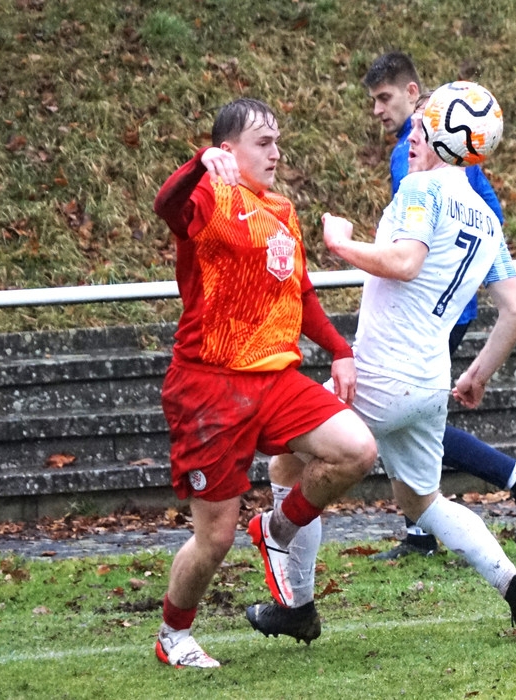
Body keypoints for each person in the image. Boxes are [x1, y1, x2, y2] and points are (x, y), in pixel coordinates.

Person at [247, 90, 516, 642]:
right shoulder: (487, 219)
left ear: (444, 137)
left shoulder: (421, 189)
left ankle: (296, 604)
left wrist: (341, 243)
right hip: (430, 382)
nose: (411, 136)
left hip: (382, 376)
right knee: (422, 502)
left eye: (421, 127)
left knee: (287, 464)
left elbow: (406, 263)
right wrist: (478, 374)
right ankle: (515, 588)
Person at [150, 97, 378, 668]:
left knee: (357, 450)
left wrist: (339, 349)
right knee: (214, 538)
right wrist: (198, 164)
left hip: (275, 378)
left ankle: (277, 528)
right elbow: (166, 206)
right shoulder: (208, 194)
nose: (276, 152)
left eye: (278, 141)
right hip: (209, 387)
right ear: (228, 151)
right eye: (263, 142)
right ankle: (173, 635)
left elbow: (299, 293)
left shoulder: (281, 209)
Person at [363, 51, 516, 557]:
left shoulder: (418, 161)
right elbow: (492, 225)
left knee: (406, 414)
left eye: (385, 98)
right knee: (417, 412)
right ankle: (432, 526)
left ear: (414, 94)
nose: (378, 110)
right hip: (456, 293)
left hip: (430, 305)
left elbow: (411, 250)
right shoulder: (457, 157)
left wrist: (343, 245)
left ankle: (512, 480)